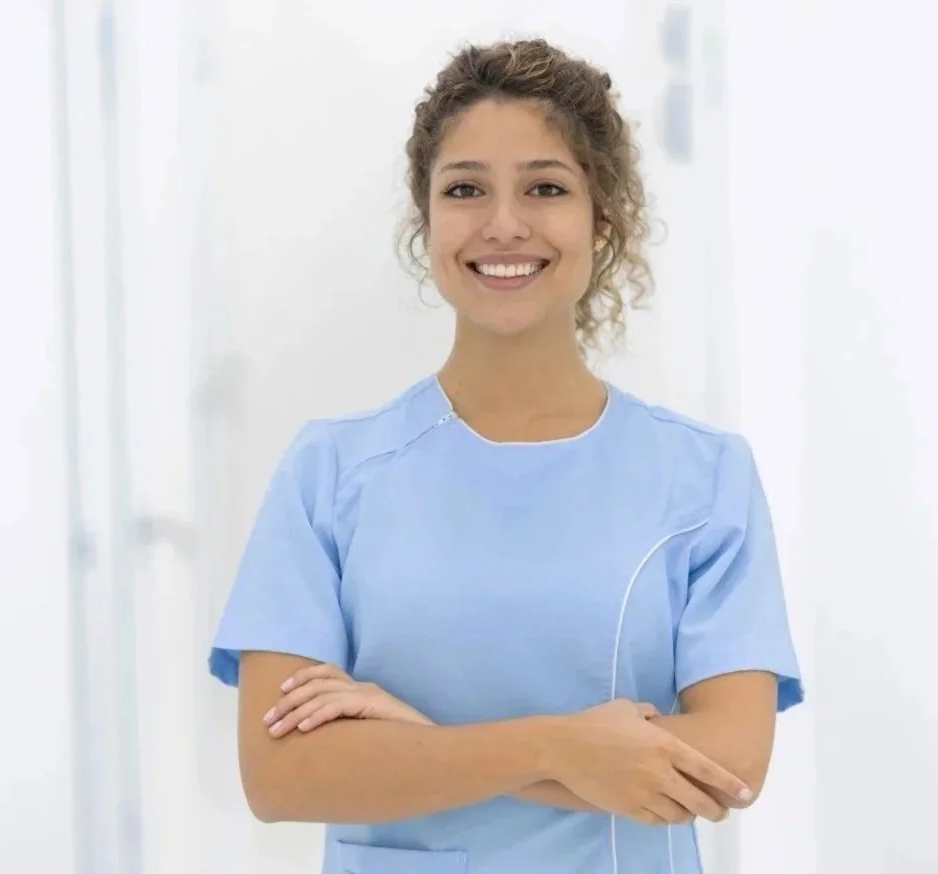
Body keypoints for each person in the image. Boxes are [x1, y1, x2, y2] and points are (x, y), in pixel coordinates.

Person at [209, 38, 803, 874]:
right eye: (465, 190)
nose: (503, 223)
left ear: (605, 221)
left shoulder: (704, 478)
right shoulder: (330, 472)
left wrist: (418, 743)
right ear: (427, 220)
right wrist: (559, 746)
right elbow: (281, 776)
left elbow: (728, 768)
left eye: (546, 187)